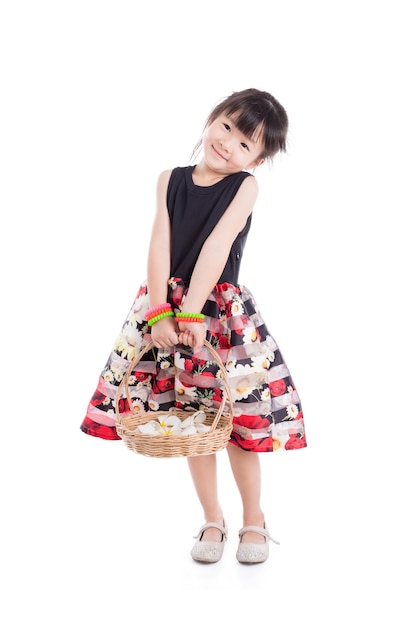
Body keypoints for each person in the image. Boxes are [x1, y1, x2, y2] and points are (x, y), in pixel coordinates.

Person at [80, 87, 307, 564]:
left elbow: (217, 247)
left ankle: (254, 519)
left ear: (257, 160)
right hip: (166, 307)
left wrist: (191, 313)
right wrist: (160, 310)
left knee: (237, 421)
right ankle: (211, 517)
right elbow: (159, 243)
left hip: (217, 314)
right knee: (194, 418)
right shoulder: (170, 179)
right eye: (225, 127)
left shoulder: (244, 186)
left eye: (245, 144)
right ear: (212, 119)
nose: (228, 144)